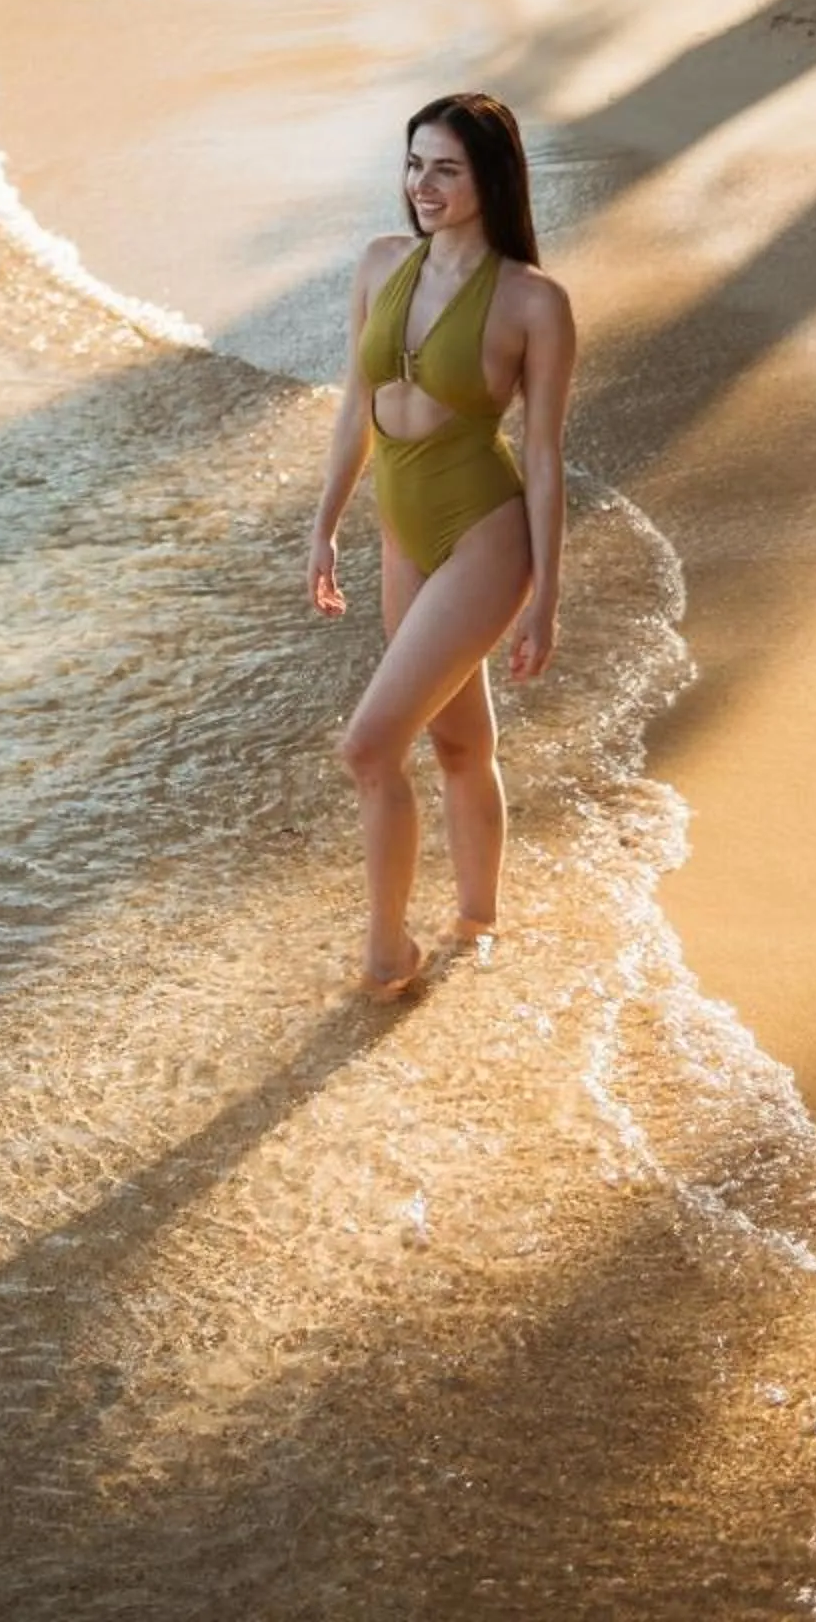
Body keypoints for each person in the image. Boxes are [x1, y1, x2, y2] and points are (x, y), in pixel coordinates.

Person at [306, 93, 577, 998]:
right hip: (402, 533)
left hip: (484, 537)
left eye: (446, 169)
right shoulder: (381, 262)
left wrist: (545, 598)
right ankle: (477, 921)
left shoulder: (533, 302)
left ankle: (388, 956)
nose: (422, 185)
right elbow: (356, 405)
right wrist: (324, 527)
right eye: (415, 164)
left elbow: (543, 457)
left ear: (489, 178)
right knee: (459, 744)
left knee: (368, 748)